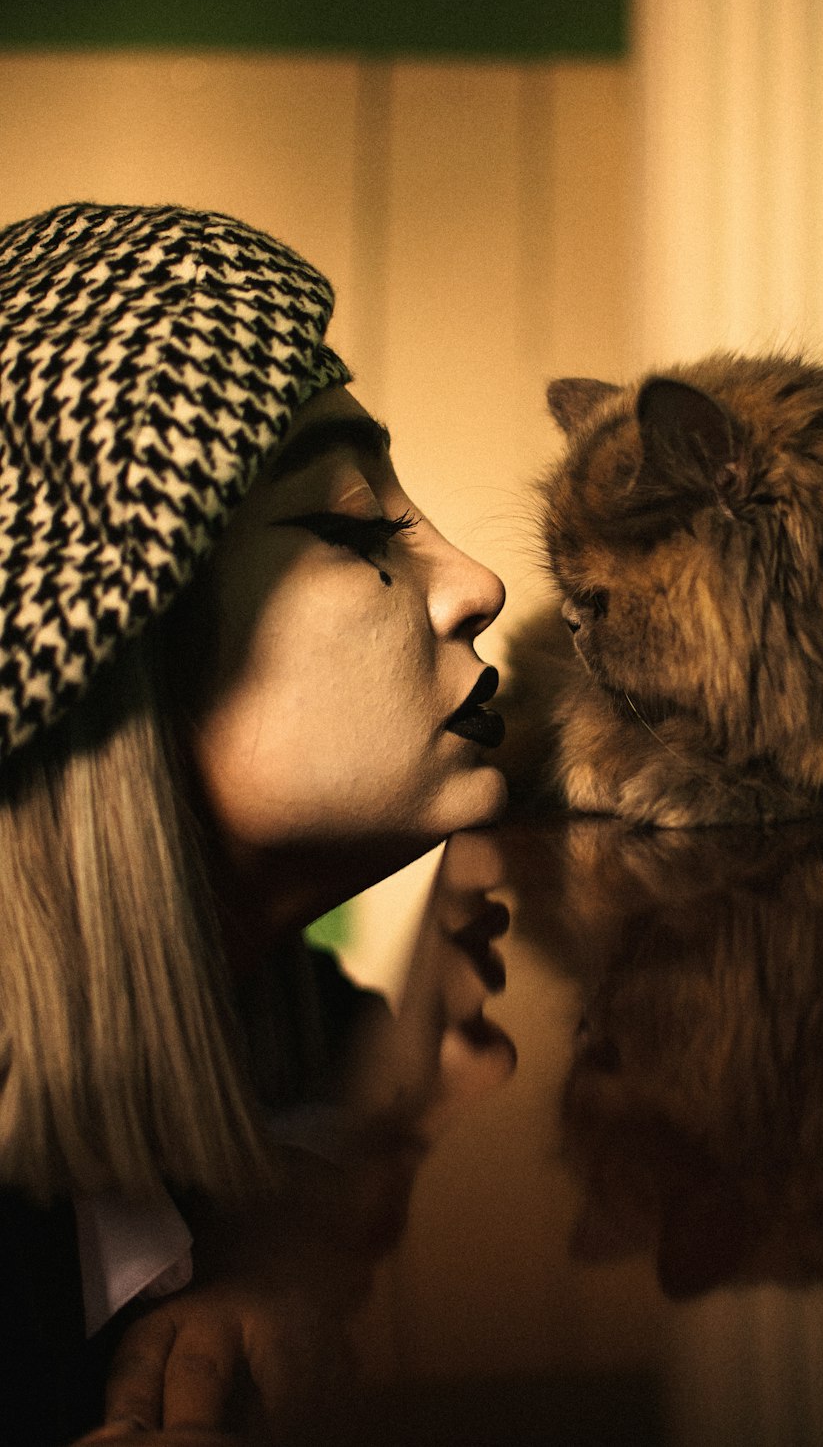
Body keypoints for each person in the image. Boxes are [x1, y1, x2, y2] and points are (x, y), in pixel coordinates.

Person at [0, 202, 509, 1444]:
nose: (476, 583)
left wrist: (298, 1235)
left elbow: (355, 1104)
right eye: (348, 524)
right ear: (122, 663)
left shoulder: (283, 1019)